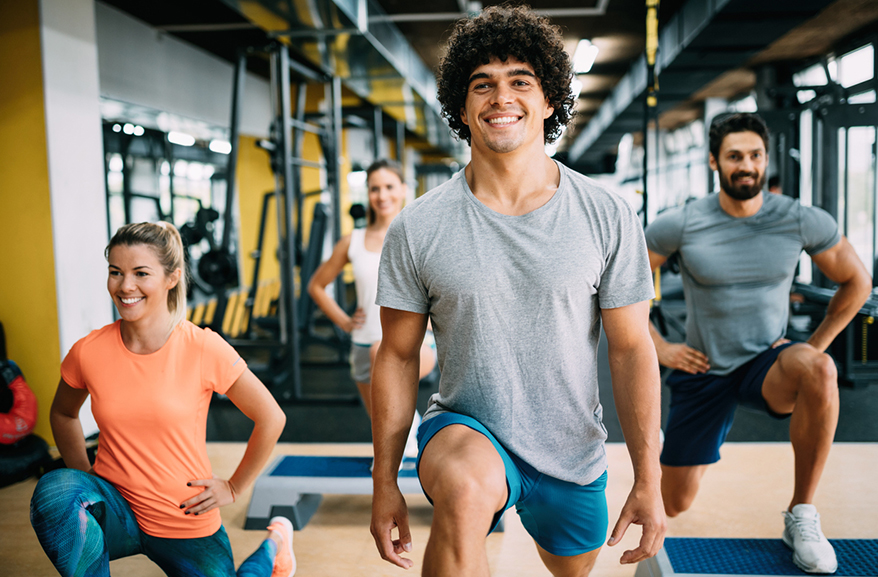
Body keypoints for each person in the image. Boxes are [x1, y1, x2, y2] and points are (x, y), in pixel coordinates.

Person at [369, 6, 666, 576]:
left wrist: (648, 479)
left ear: (550, 99)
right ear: (462, 106)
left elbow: (632, 349)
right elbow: (398, 354)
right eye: (482, 85)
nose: (500, 98)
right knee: (463, 492)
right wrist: (384, 481)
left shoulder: (606, 214)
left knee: (573, 568)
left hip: (572, 451)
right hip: (464, 430)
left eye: (519, 82)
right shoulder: (420, 226)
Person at [645, 113, 872, 574]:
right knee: (674, 503)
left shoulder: (799, 219)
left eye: (755, 155)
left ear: (766, 159)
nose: (746, 165)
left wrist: (816, 347)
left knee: (818, 370)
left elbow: (856, 282)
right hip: (702, 366)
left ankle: (801, 514)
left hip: (767, 362)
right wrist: (659, 347)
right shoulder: (681, 224)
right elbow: (619, 287)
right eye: (734, 157)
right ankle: (701, 437)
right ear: (715, 162)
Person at [30, 222, 295, 577]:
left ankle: (274, 546)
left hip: (183, 516)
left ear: (172, 278)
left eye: (141, 273)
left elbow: (271, 417)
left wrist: (233, 487)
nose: (125, 286)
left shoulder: (203, 347)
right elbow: (63, 413)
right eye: (116, 272)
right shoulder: (88, 351)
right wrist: (85, 477)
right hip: (117, 507)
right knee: (54, 491)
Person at [308, 159, 436, 456]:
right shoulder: (352, 241)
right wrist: (344, 321)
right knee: (382, 425)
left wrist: (434, 320)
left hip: (414, 343)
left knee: (383, 361)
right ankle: (406, 445)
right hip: (362, 344)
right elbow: (316, 286)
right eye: (374, 188)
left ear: (403, 190)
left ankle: (412, 441)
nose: (382, 195)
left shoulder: (421, 236)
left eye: (389, 186)